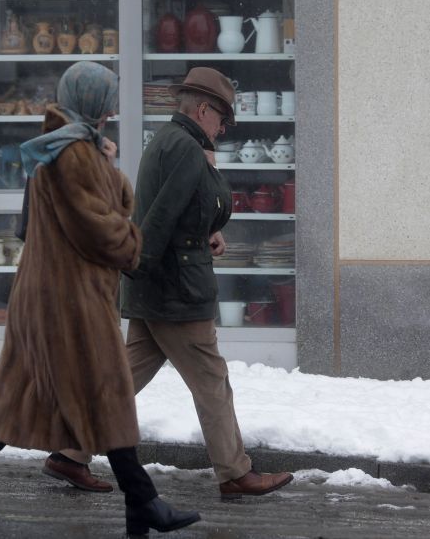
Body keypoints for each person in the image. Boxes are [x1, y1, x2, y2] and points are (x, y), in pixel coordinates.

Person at [0, 61, 201, 536]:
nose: (114, 108)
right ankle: (143, 501)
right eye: (109, 99)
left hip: (48, 294)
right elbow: (97, 226)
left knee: (21, 389)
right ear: (94, 102)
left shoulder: (68, 149)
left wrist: (107, 164)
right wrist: (134, 247)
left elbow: (91, 207)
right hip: (68, 300)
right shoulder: (72, 153)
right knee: (106, 389)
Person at [44, 67, 294, 499]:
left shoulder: (172, 140)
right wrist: (140, 266)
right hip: (175, 291)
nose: (224, 127)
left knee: (121, 380)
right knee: (212, 381)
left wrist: (207, 230)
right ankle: (235, 473)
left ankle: (69, 453)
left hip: (156, 287)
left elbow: (187, 208)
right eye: (222, 119)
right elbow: (159, 218)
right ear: (203, 110)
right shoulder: (185, 147)